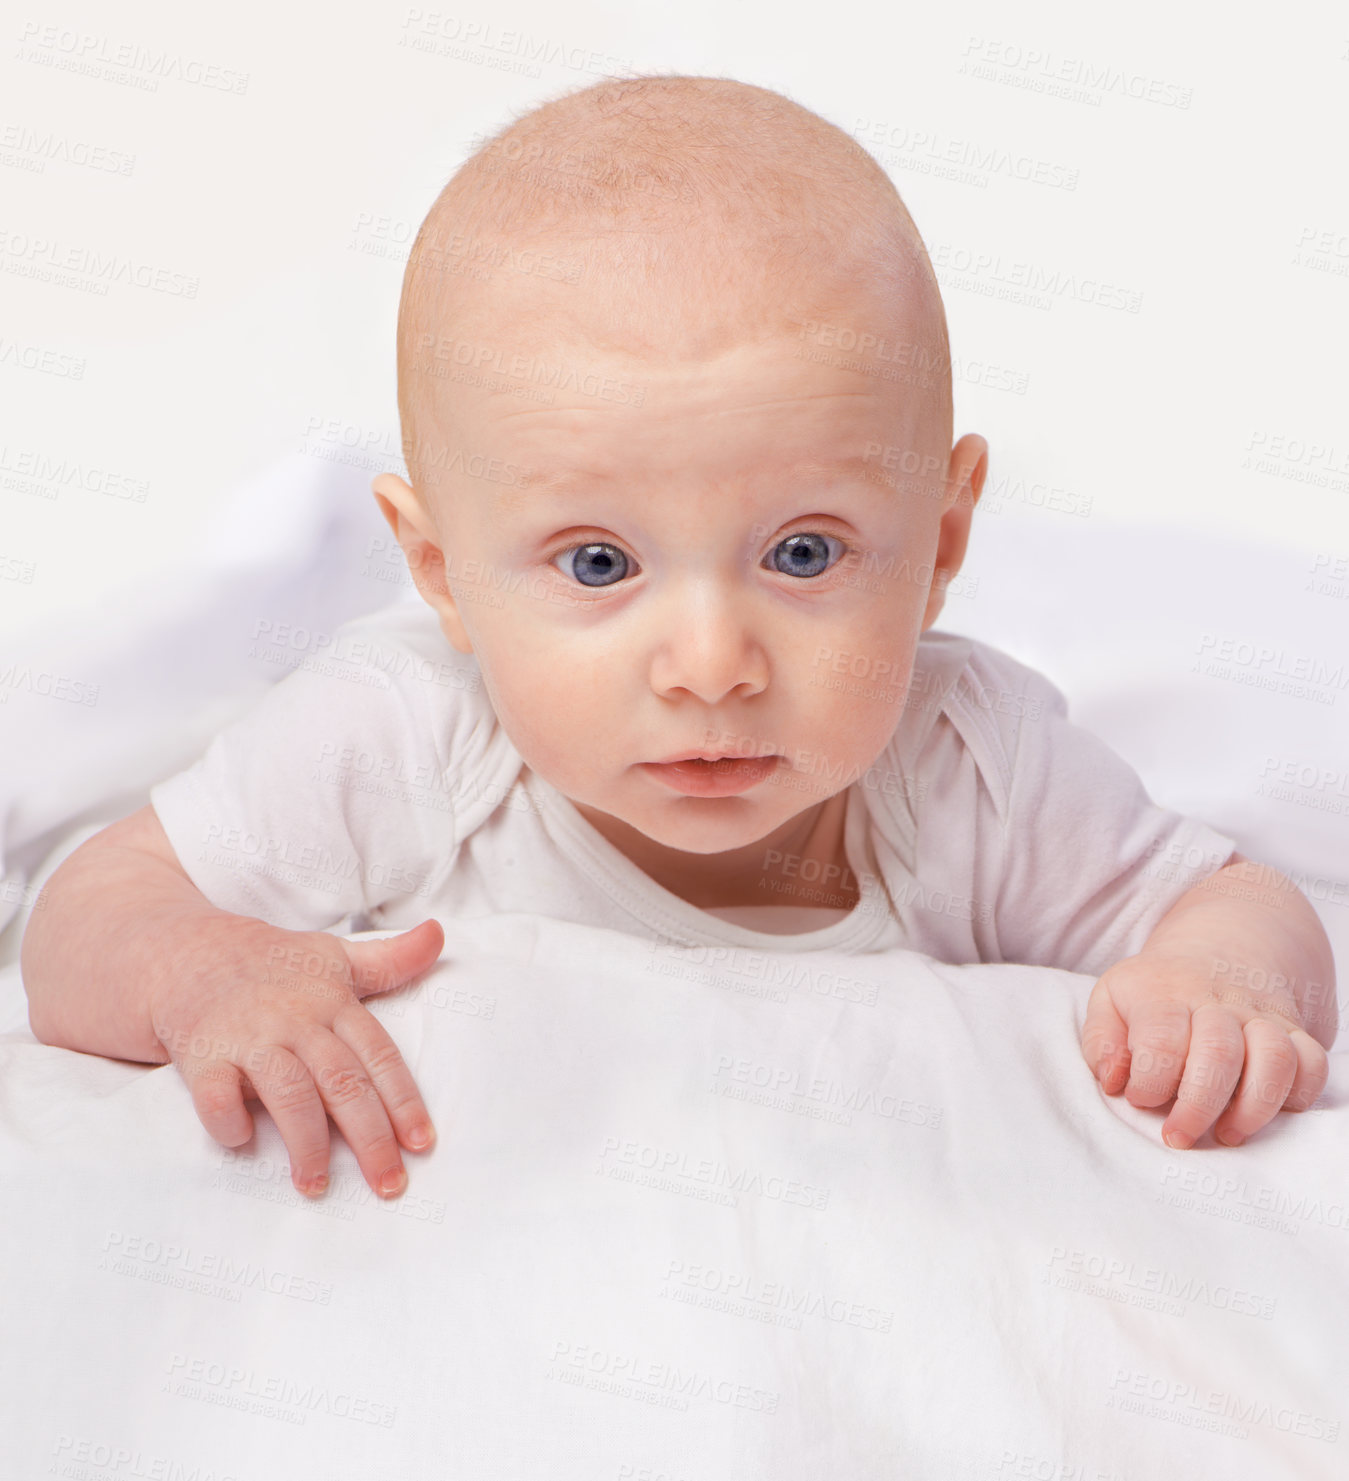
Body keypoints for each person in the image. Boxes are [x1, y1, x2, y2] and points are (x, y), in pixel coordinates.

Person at [21, 73, 1335, 1205]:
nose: (711, 663)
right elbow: (87, 914)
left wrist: (1217, 983)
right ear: (441, 574)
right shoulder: (404, 733)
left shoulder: (964, 763)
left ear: (939, 545)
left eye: (802, 552)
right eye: (598, 563)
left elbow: (1233, 900)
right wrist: (204, 974)